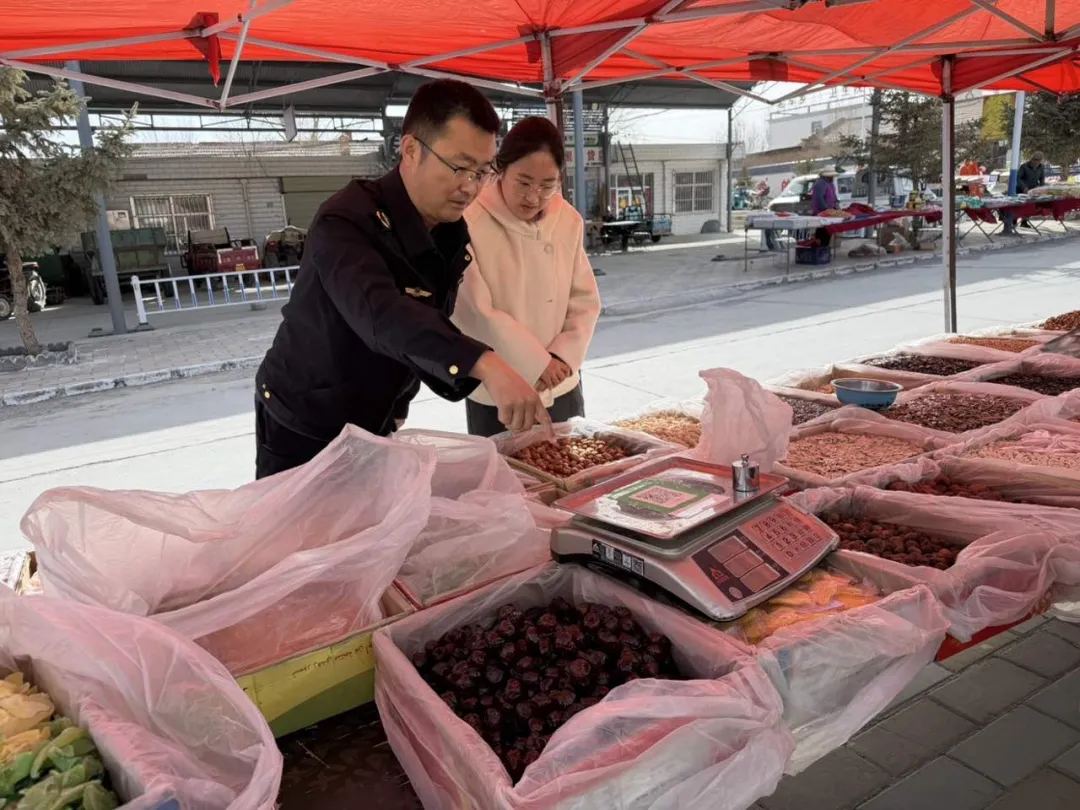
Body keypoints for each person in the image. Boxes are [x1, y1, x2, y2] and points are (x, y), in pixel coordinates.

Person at [253, 80, 551, 479]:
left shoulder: (449, 232)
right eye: (460, 167)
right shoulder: (345, 220)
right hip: (302, 419)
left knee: (372, 531)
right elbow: (385, 314)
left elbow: (427, 324)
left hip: (375, 420)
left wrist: (397, 406)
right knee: (303, 538)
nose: (470, 187)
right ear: (411, 150)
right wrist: (485, 363)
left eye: (482, 172)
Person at [452, 116, 602, 437]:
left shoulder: (568, 220)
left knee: (572, 471)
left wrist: (562, 355)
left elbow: (585, 299)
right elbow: (474, 311)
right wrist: (536, 362)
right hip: (501, 388)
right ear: (500, 170)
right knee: (508, 480)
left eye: (548, 185)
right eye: (523, 182)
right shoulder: (468, 222)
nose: (534, 197)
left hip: (562, 382)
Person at [809, 168, 839, 248]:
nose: (832, 177)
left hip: (830, 211)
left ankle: (824, 248)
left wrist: (836, 207)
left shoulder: (830, 183)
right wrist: (826, 209)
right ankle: (821, 248)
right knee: (823, 231)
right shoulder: (820, 183)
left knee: (828, 231)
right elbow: (819, 198)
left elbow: (834, 195)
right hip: (822, 212)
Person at [1017, 151, 1046, 229]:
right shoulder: (1024, 166)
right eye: (1034, 160)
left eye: (1038, 160)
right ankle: (1013, 221)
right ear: (1032, 159)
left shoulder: (1041, 167)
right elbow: (1018, 178)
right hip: (1021, 189)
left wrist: (1042, 188)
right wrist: (1024, 188)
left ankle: (1024, 222)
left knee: (1030, 206)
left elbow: (1042, 178)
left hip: (1033, 189)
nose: (1036, 162)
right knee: (1019, 206)